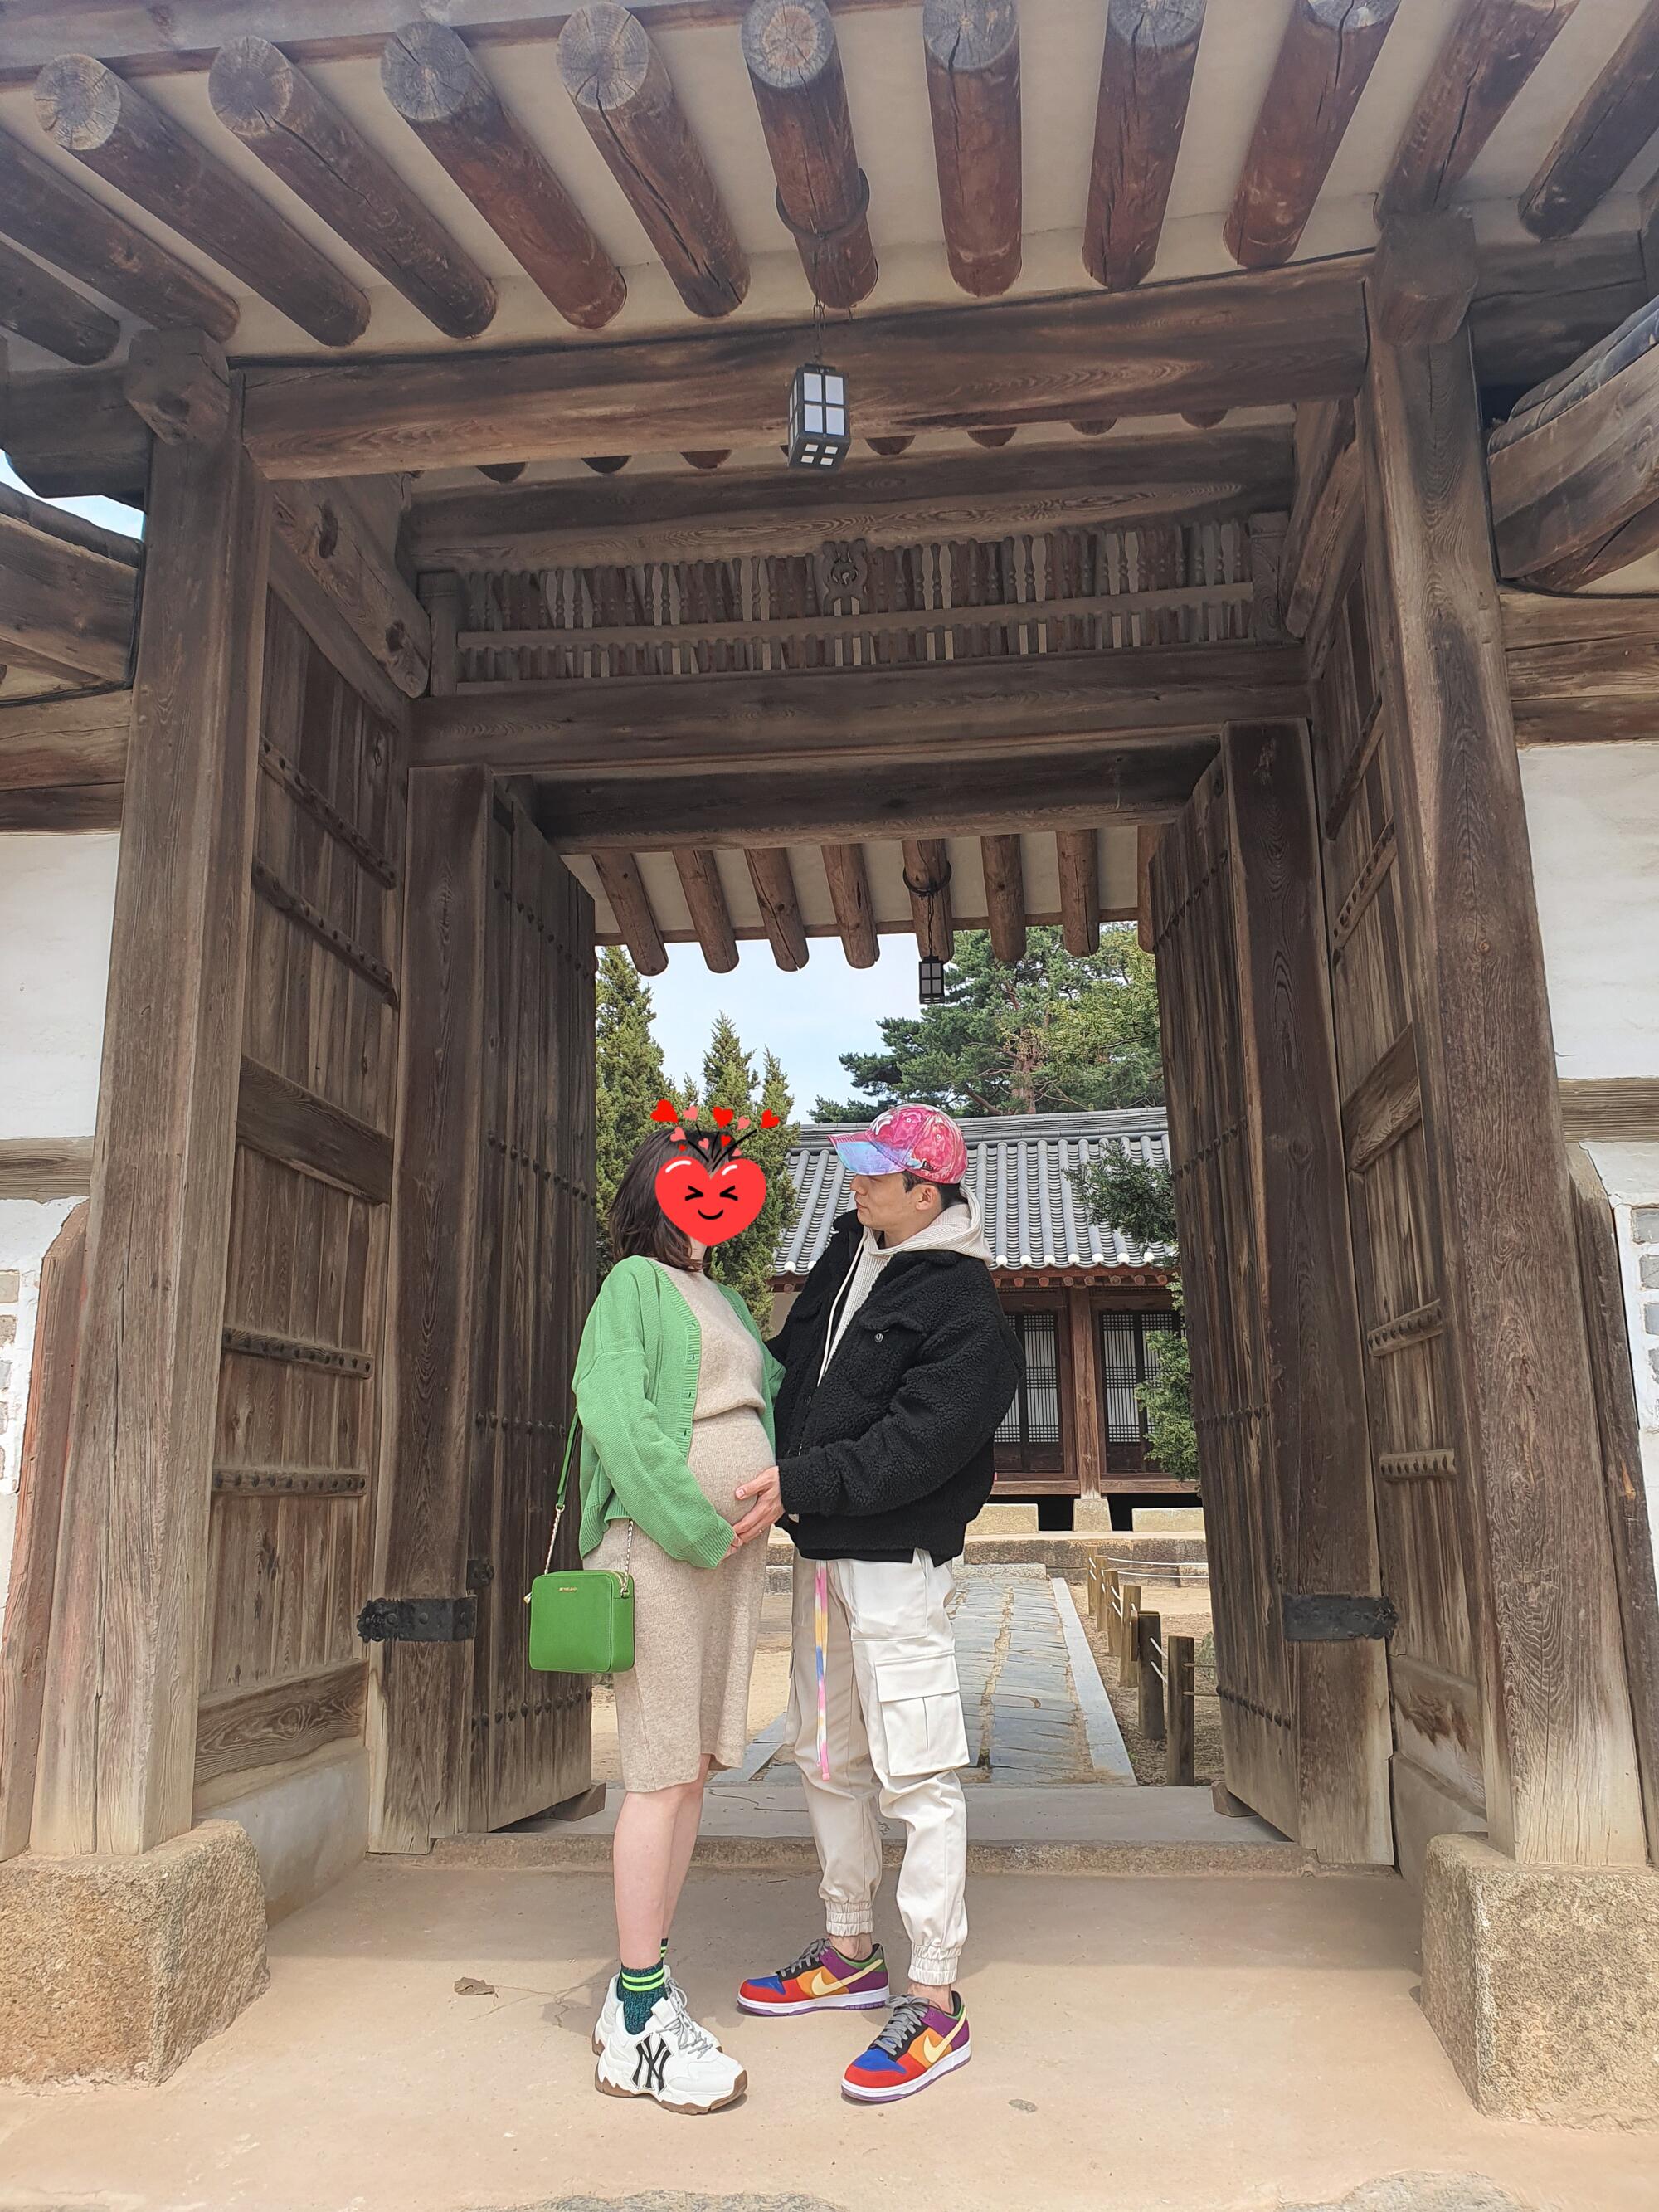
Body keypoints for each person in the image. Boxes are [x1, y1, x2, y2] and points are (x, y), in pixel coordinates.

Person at [728, 1103, 1021, 2103]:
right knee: (823, 1751)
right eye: (854, 1169)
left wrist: (800, 1481)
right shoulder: (850, 1252)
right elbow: (792, 1371)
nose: (853, 1185)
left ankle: (934, 1993)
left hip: (894, 1559)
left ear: (924, 1193)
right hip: (822, 1552)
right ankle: (848, 1945)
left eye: (872, 1174)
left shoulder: (966, 1309)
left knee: (916, 1768)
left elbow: (917, 1445)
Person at [577, 1126, 782, 2115]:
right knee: (658, 1769)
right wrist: (697, 1525)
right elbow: (616, 1416)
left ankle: (643, 1984)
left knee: (694, 1765)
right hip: (664, 1547)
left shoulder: (724, 1295)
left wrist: (772, 1494)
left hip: (728, 1555)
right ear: (655, 1193)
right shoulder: (632, 1284)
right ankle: (638, 2017)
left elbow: (759, 1401)